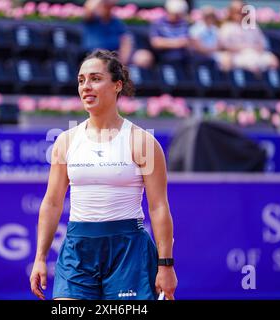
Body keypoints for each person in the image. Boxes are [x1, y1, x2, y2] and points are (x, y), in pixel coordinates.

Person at [29, 49, 177, 300]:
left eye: (95, 78)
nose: (86, 86)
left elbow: (159, 207)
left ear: (117, 85)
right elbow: (52, 202)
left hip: (128, 250)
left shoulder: (142, 142)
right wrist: (40, 258)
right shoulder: (65, 142)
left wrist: (166, 265)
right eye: (81, 80)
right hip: (77, 249)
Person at [83, 0, 154, 69]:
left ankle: (133, 79)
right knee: (102, 56)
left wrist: (123, 61)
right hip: (95, 53)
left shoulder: (116, 22)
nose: (106, 8)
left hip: (116, 53)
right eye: (104, 5)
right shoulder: (91, 19)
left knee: (144, 57)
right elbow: (89, 8)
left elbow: (126, 40)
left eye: (109, 6)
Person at [218, 0, 279, 73]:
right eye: (238, 12)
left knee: (273, 60)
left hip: (256, 53)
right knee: (227, 61)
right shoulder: (227, 27)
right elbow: (224, 46)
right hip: (237, 55)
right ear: (231, 13)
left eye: (243, 12)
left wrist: (254, 49)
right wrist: (244, 48)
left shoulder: (253, 26)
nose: (241, 14)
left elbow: (262, 44)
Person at [149, 0, 191, 65]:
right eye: (175, 14)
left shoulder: (184, 23)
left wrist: (166, 42)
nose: (177, 16)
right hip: (163, 57)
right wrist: (178, 43)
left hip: (183, 58)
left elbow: (188, 41)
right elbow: (156, 43)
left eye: (179, 14)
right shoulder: (158, 23)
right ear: (168, 11)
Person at [189, 6, 231, 70]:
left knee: (228, 57)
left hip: (214, 54)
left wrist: (212, 49)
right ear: (203, 16)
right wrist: (211, 50)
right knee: (224, 60)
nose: (210, 18)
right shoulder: (195, 28)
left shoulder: (215, 29)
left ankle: (224, 78)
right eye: (208, 16)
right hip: (201, 55)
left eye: (212, 16)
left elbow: (220, 44)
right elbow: (198, 47)